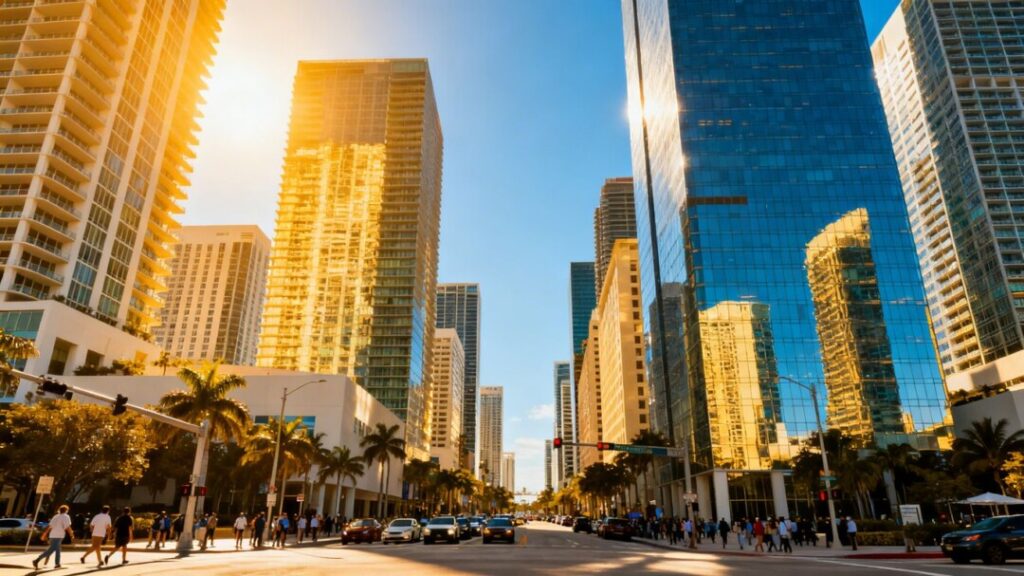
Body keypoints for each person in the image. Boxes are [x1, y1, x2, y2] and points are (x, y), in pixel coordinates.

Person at [33, 505, 74, 570]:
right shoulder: (66, 516)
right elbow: (67, 527)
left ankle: (57, 564)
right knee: (51, 550)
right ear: (66, 511)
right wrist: (71, 534)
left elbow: (50, 527)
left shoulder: (55, 516)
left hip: (52, 535)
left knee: (58, 550)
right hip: (58, 536)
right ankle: (36, 560)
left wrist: (44, 534)